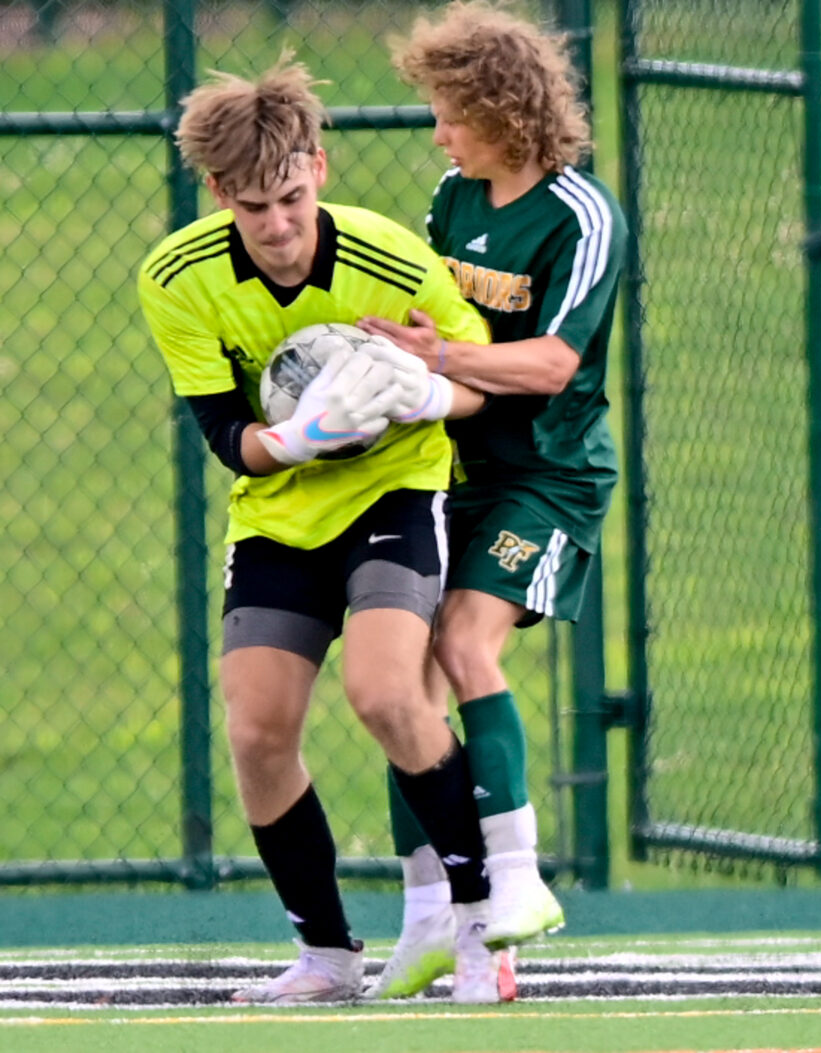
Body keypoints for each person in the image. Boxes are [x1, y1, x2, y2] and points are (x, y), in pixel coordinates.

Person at [137, 54, 526, 1005]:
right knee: (258, 730)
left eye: (288, 197)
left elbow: (482, 380)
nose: (275, 225)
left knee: (388, 693)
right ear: (220, 193)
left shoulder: (390, 257)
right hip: (280, 512)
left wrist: (429, 389)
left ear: (318, 166)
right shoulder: (177, 280)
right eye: (251, 206)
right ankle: (325, 955)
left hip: (395, 490)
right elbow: (226, 436)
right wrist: (295, 437)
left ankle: (483, 929)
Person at [352, 0, 628, 1001]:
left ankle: (516, 882)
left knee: (467, 647)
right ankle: (437, 920)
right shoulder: (450, 198)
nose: (439, 134)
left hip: (546, 477)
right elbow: (434, 323)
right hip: (452, 470)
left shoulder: (582, 216)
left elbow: (554, 362)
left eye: (451, 114)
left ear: (505, 109)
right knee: (403, 692)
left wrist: (441, 359)